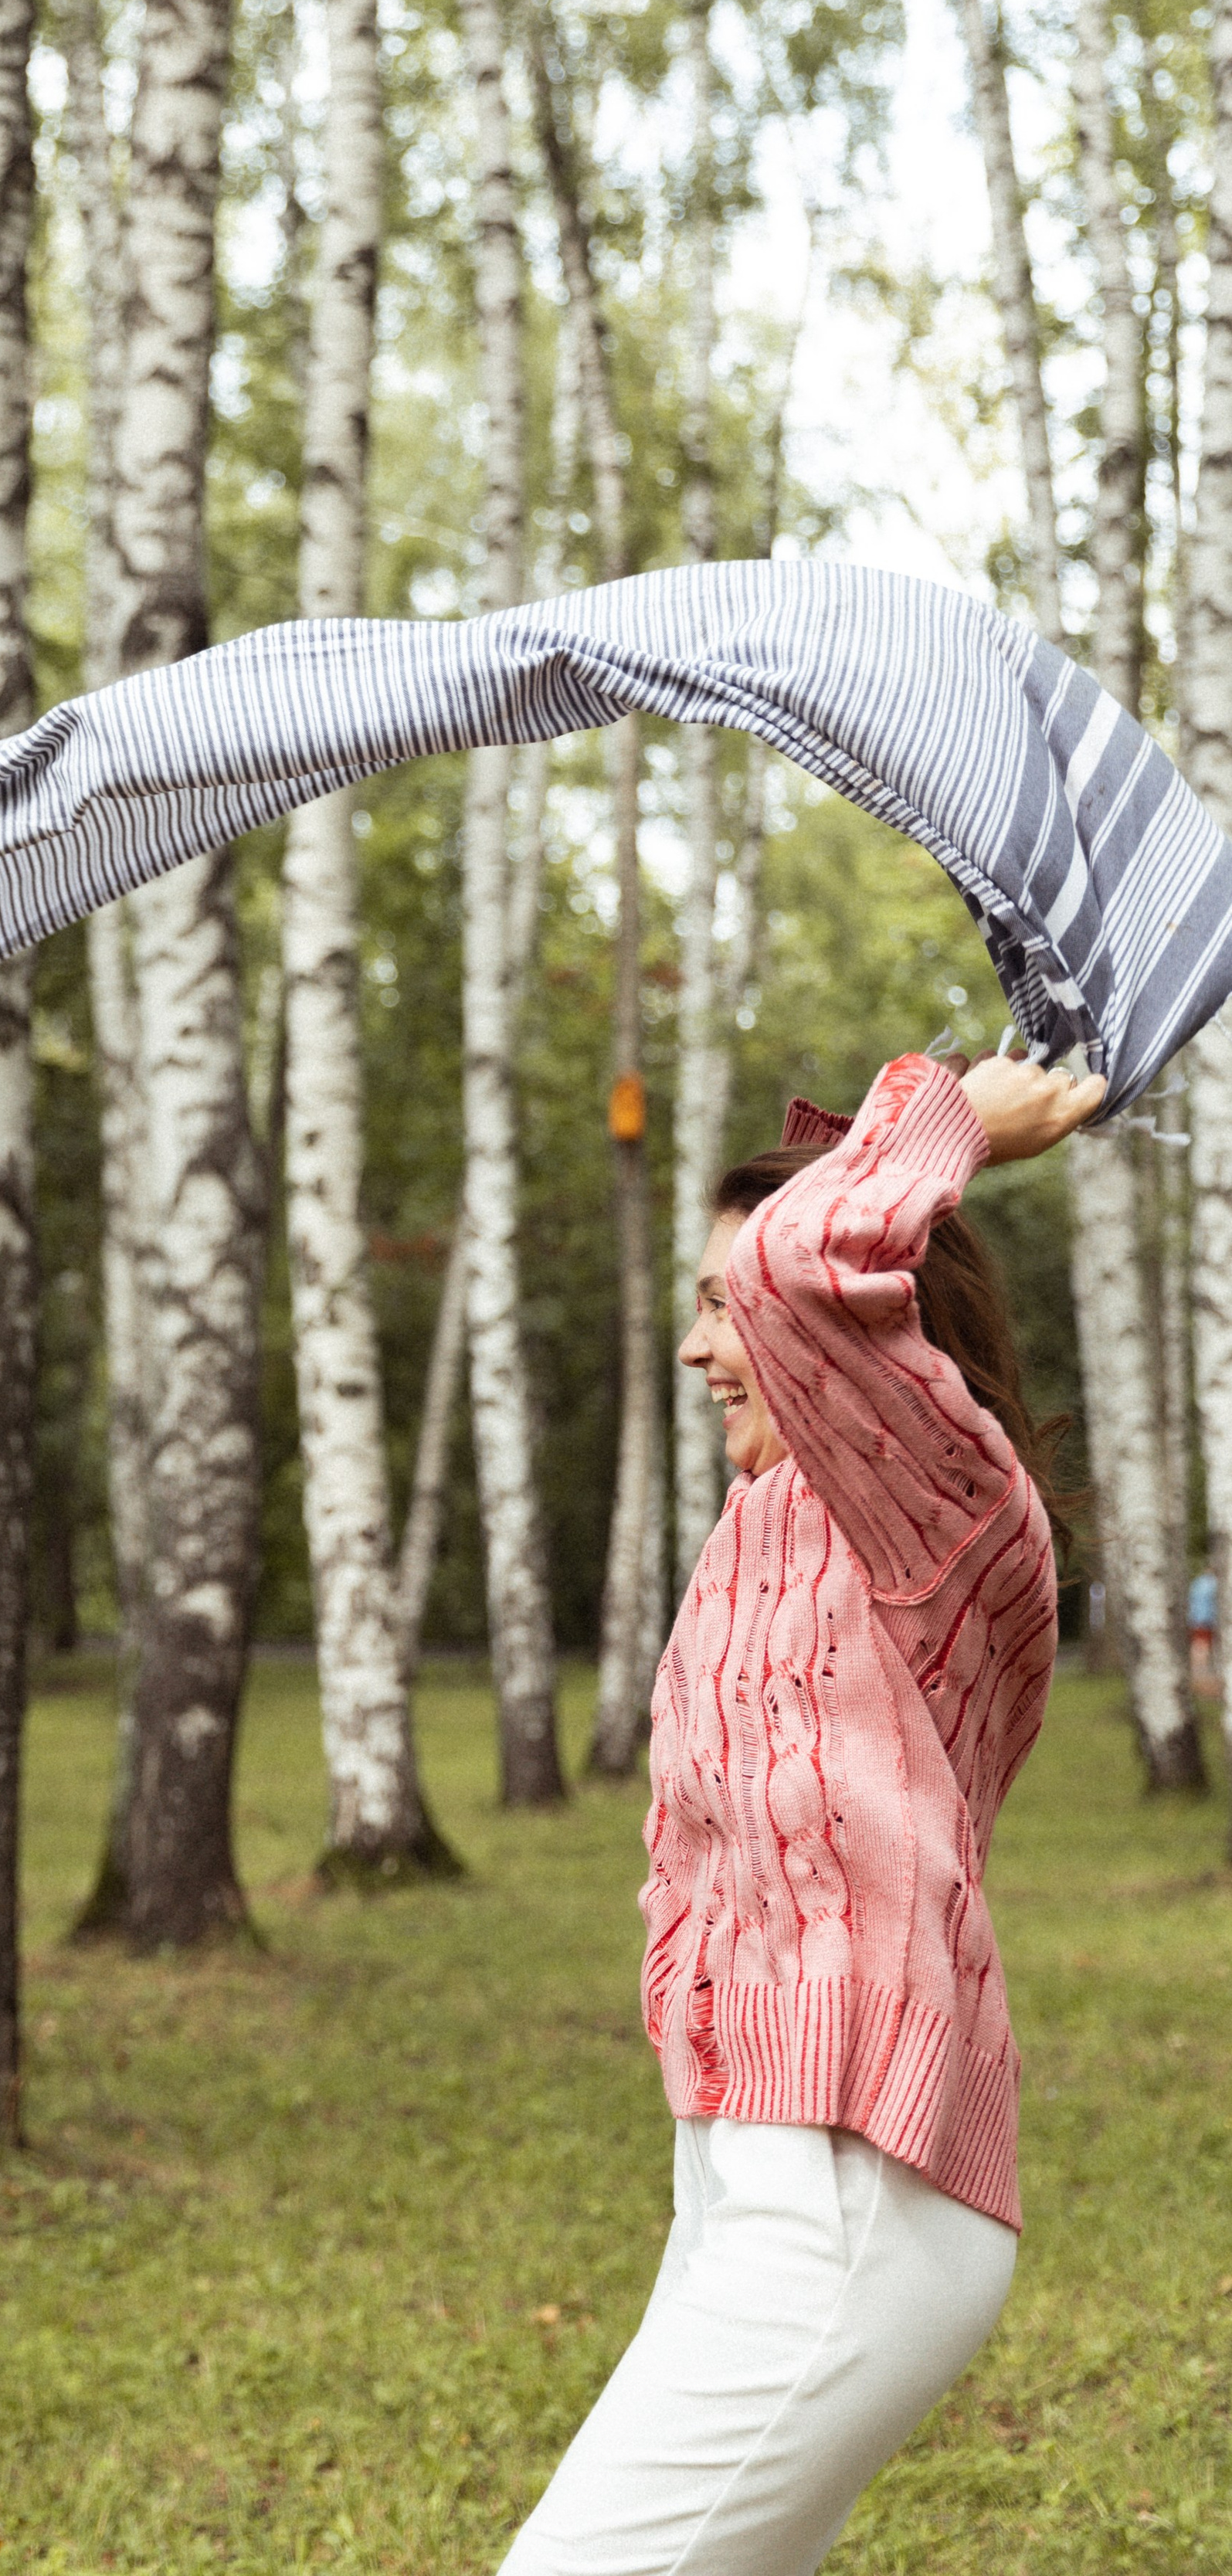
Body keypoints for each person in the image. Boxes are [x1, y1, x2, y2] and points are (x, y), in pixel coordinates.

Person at [499, 1047, 1100, 2576]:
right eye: (699, 1307)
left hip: (857, 2201)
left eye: (719, 1310)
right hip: (744, 2176)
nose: (702, 1344)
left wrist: (961, 1117)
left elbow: (791, 1259)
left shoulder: (944, 1508)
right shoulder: (768, 1524)